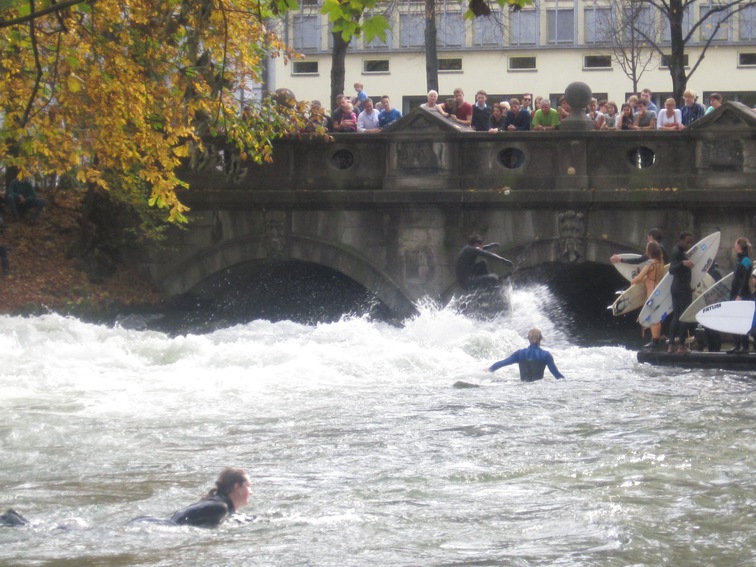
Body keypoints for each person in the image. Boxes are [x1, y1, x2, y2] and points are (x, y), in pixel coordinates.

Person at [129, 467, 252, 528]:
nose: (251, 492)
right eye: (248, 486)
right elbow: (179, 522)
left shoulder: (222, 505)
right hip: (153, 526)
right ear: (237, 487)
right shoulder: (220, 507)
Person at [487, 328, 565, 381]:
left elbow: (502, 363)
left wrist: (489, 369)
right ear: (541, 338)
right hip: (538, 389)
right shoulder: (546, 355)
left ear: (528, 338)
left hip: (523, 390)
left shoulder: (520, 353)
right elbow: (557, 376)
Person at [631, 241, 665, 350]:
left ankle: (655, 341)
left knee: (653, 317)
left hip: (651, 293)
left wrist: (633, 280)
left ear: (649, 251)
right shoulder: (660, 262)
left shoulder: (650, 263)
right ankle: (655, 340)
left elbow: (639, 277)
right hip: (658, 291)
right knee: (656, 316)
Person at [667, 231, 695, 354]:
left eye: (691, 242)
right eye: (687, 242)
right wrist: (683, 263)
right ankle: (681, 346)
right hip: (681, 289)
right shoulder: (677, 251)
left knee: (677, 315)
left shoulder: (680, 251)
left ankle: (671, 345)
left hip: (679, 287)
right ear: (681, 240)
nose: (689, 245)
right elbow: (671, 270)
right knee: (684, 316)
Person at [727, 237, 753, 353]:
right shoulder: (740, 259)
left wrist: (739, 294)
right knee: (734, 320)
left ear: (739, 246)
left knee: (742, 320)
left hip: (742, 294)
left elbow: (744, 280)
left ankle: (745, 346)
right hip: (735, 293)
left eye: (735, 244)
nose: (734, 246)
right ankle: (737, 345)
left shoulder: (745, 260)